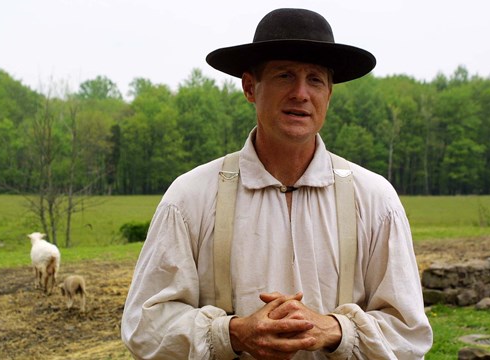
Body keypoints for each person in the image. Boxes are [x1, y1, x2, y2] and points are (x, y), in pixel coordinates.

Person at [121, 8, 433, 359]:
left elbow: (409, 334)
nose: (301, 93)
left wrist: (336, 330)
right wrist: (231, 334)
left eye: (315, 79)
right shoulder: (190, 197)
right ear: (251, 87)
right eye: (285, 75)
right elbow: (144, 327)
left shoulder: (375, 200)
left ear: (329, 94)